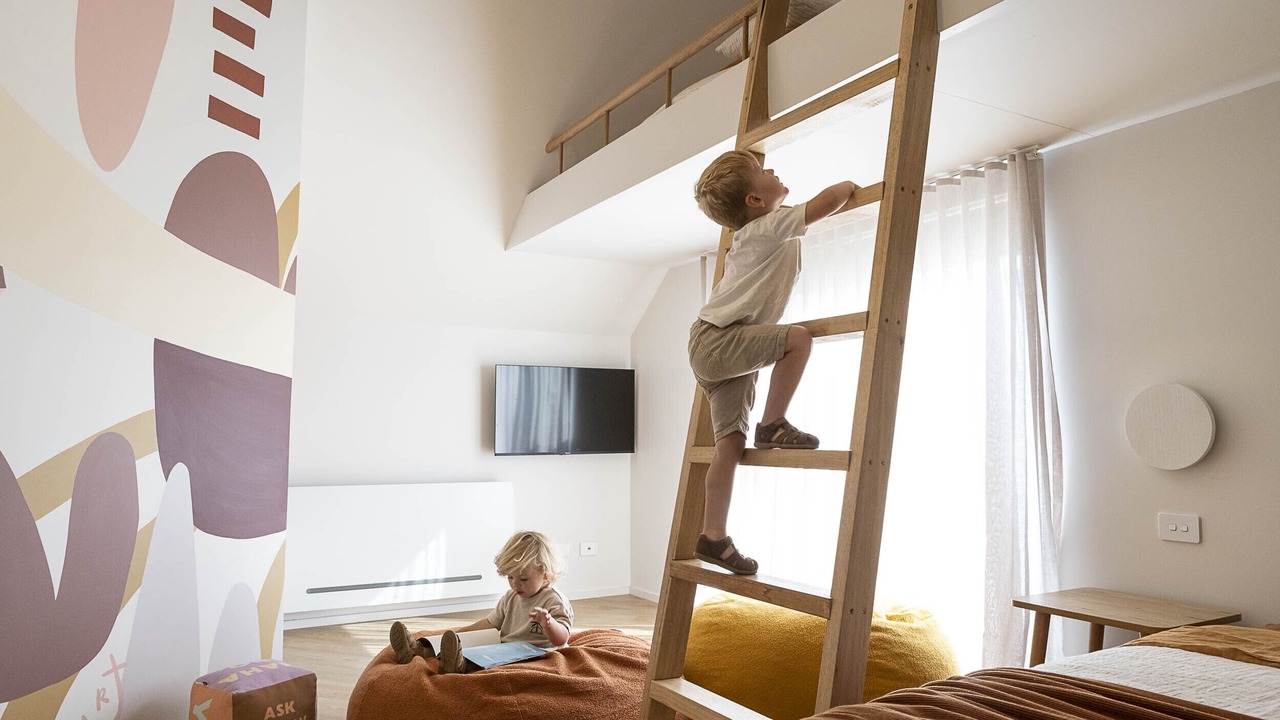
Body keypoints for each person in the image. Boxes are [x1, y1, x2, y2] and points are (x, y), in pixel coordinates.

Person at [688, 149, 857, 576]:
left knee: (728, 447)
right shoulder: (768, 227)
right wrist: (848, 187)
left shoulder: (757, 231)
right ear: (754, 202)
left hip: (717, 346)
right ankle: (774, 423)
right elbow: (827, 201)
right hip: (720, 341)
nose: (774, 170)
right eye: (763, 172)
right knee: (797, 340)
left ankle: (713, 538)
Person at [388, 530, 574, 673]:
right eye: (510, 577)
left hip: (536, 655)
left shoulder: (553, 600)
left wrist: (548, 623)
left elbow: (562, 638)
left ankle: (458, 665)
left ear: (546, 573)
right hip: (506, 648)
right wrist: (459, 634)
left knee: (486, 656)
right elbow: (489, 623)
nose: (515, 584)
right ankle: (419, 649)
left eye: (523, 579)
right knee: (473, 640)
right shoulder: (511, 597)